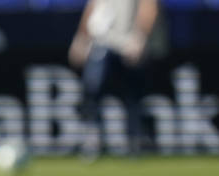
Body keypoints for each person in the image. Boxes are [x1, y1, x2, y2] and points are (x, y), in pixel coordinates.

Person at [68, 0, 165, 158]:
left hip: (127, 43)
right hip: (102, 42)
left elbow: (148, 6)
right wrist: (81, 37)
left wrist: (140, 36)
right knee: (93, 88)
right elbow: (93, 7)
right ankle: (93, 139)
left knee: (131, 95)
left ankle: (134, 140)